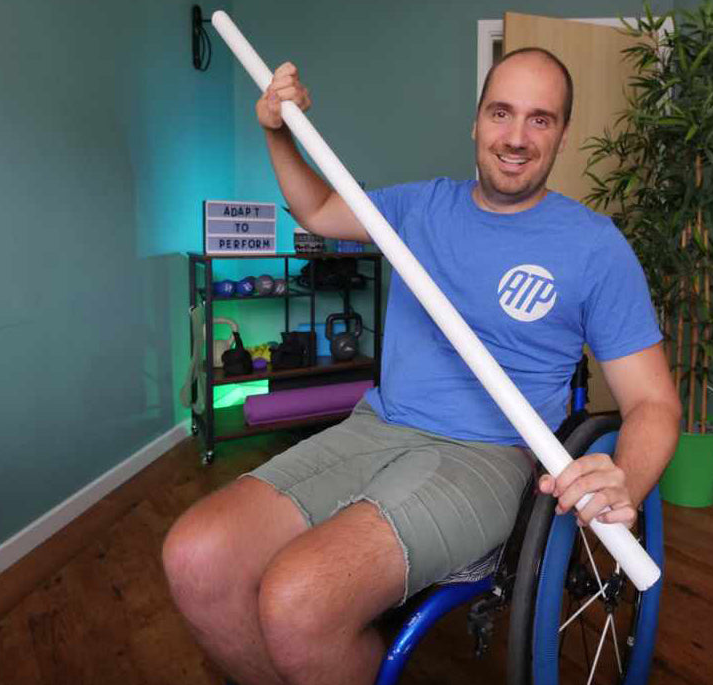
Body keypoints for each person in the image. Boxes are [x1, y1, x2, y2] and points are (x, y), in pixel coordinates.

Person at [163, 48, 681, 685]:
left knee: (297, 601)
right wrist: (277, 130)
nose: (517, 137)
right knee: (196, 558)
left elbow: (653, 404)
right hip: (375, 428)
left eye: (540, 120)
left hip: (489, 456)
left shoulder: (596, 247)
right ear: (475, 122)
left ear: (563, 134)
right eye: (502, 113)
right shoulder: (418, 209)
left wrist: (625, 476)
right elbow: (319, 211)